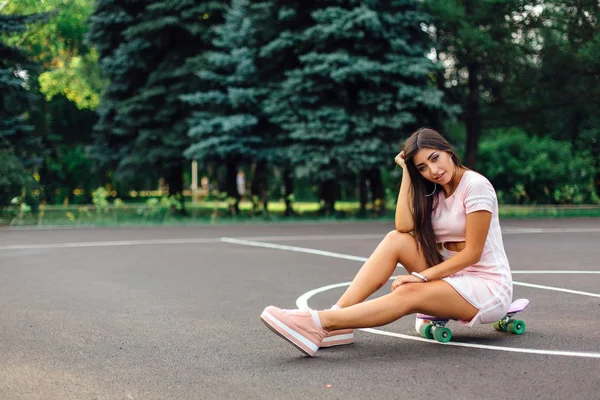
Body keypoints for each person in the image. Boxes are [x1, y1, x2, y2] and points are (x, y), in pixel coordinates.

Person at [260, 128, 513, 357]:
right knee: (395, 240)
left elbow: (473, 254)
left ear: (448, 151)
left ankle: (320, 323)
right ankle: (338, 321)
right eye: (422, 167)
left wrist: (422, 277)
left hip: (485, 285)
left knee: (409, 291)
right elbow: (403, 226)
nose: (433, 171)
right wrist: (406, 171)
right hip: (453, 275)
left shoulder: (475, 186)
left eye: (434, 158)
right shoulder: (434, 190)